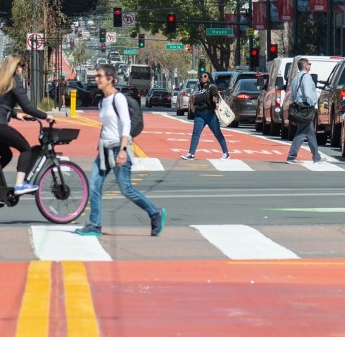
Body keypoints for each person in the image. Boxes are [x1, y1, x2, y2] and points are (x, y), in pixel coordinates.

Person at [75, 64, 165, 237]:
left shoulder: (119, 99)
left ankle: (155, 213)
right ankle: (95, 225)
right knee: (94, 184)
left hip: (118, 148)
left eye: (99, 76)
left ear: (110, 79)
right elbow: (107, 126)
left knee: (126, 189)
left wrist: (123, 149)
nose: (96, 79)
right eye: (96, 76)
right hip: (104, 149)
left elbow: (126, 124)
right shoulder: (102, 101)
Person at [0, 56, 49, 195]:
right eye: (21, 65)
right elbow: (28, 107)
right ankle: (20, 185)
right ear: (15, 67)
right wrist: (46, 116)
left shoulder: (0, 81)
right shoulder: (14, 81)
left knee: (6, 155)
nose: (22, 68)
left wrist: (16, 115)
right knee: (26, 148)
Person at [181, 71, 230, 160]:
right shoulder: (198, 88)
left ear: (209, 77)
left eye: (205, 76)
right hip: (199, 114)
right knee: (196, 134)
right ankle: (191, 153)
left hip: (210, 114)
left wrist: (215, 100)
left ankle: (226, 153)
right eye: (201, 77)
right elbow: (193, 98)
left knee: (217, 133)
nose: (202, 78)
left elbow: (216, 96)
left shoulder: (212, 87)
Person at [285, 57, 322, 164]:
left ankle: (316, 157)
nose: (310, 65)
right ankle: (291, 156)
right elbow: (307, 93)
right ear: (306, 66)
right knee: (301, 133)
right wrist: (312, 104)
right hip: (306, 107)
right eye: (309, 64)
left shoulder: (296, 77)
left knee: (310, 133)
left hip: (298, 106)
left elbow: (292, 94)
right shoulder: (306, 77)